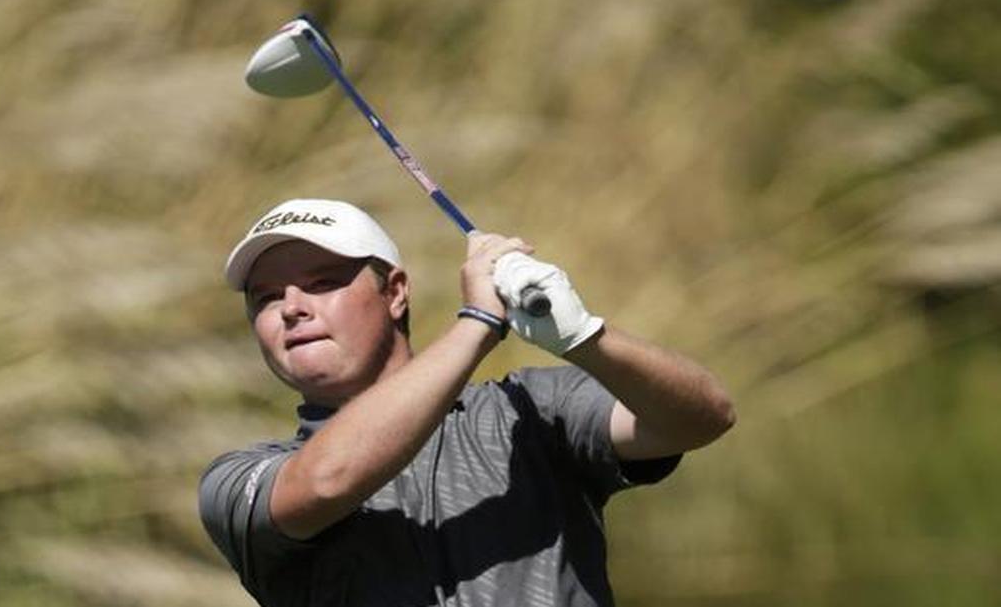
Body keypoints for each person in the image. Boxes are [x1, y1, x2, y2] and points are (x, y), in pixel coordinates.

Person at [199, 198, 735, 607]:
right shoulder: (239, 481)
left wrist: (586, 337)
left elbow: (702, 417)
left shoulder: (530, 410)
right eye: (267, 297)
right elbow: (325, 481)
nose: (292, 307)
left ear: (395, 293)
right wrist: (479, 324)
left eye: (322, 283)